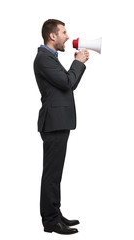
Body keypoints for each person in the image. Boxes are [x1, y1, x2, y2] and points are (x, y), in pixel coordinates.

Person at [33, 19, 89, 235]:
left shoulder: (50, 58)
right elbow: (67, 83)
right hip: (53, 123)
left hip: (59, 122)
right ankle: (50, 221)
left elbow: (65, 84)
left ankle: (55, 212)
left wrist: (77, 63)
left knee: (55, 173)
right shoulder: (43, 58)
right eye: (64, 32)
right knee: (52, 174)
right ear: (52, 36)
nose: (67, 36)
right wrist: (79, 62)